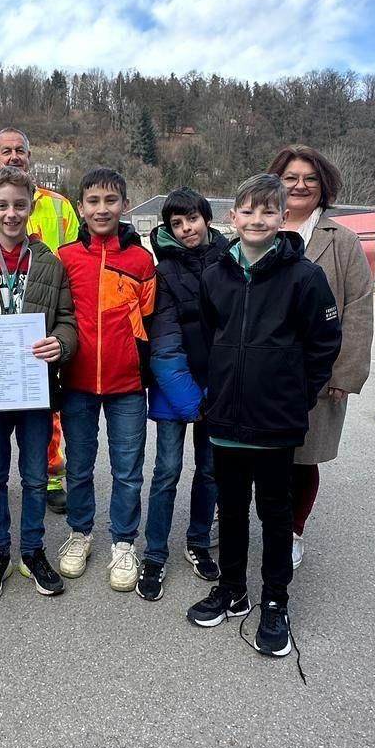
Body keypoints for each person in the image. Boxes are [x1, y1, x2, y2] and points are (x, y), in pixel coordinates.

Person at [187, 173, 341, 658]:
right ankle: (233, 588)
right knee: (230, 511)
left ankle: (275, 600)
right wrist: (214, 388)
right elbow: (206, 336)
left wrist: (296, 396)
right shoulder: (215, 273)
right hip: (227, 420)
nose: (257, 220)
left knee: (274, 515)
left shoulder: (304, 277)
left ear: (282, 217)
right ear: (232, 217)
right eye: (247, 211)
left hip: (276, 424)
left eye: (267, 211)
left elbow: (323, 345)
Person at [0, 168, 79, 600]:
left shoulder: (49, 262)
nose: (11, 214)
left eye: (19, 205)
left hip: (36, 387)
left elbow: (67, 321)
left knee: (35, 475)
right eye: (2, 205)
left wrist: (60, 344)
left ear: (31, 207)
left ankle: (33, 549)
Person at [266, 145, 374, 569]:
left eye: (309, 178)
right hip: (260, 370)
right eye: (291, 177)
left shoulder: (341, 241)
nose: (299, 185)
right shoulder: (257, 228)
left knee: (302, 457)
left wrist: (343, 374)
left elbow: (359, 309)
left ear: (323, 186)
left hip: (315, 373)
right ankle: (234, 518)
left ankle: (292, 531)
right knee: (250, 455)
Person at [55, 167, 157, 592]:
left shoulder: (140, 260)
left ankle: (123, 541)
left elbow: (151, 321)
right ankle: (80, 533)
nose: (102, 209)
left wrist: (146, 372)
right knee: (77, 468)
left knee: (128, 470)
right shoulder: (63, 257)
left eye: (110, 201)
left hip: (127, 386)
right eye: (93, 201)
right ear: (80, 207)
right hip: (76, 382)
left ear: (124, 205)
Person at [137, 188, 227, 603]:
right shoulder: (163, 272)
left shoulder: (230, 261)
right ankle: (154, 553)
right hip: (177, 389)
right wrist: (193, 403)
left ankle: (197, 540)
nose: (187, 228)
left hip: (220, 388)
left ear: (206, 218)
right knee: (167, 471)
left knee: (210, 471)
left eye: (192, 219)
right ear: (168, 229)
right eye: (176, 223)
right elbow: (165, 344)